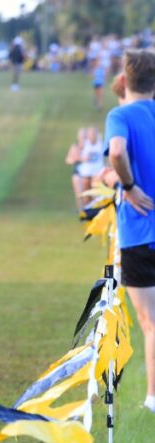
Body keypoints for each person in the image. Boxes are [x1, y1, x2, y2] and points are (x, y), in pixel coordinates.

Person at [104, 50, 155, 410]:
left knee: (150, 324)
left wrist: (129, 185)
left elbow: (117, 151)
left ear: (125, 79)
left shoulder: (119, 115)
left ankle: (153, 398)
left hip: (140, 234)